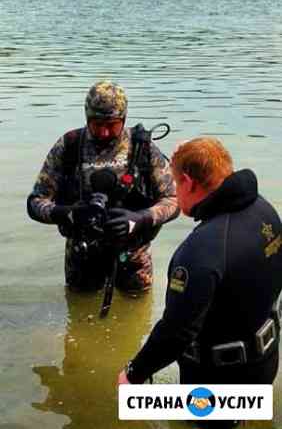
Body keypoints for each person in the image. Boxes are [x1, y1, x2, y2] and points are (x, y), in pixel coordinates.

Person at [118, 137, 282, 428]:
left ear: (189, 182)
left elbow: (176, 332)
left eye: (175, 184)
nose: (175, 192)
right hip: (264, 362)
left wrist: (133, 374)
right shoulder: (264, 211)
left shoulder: (201, 250)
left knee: (134, 405)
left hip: (217, 383)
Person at [27, 80, 179, 294]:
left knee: (136, 316)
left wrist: (141, 218)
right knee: (79, 314)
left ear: (123, 119)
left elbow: (173, 199)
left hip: (133, 255)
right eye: (97, 124)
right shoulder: (69, 145)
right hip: (82, 253)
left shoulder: (141, 147)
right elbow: (35, 202)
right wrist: (68, 214)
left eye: (112, 124)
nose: (105, 132)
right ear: (87, 117)